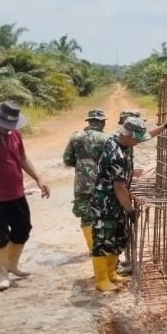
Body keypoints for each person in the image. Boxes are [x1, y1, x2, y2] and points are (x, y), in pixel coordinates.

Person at [0, 101, 50, 291]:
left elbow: (22, 158)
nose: (8, 129)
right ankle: (1, 274)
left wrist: (39, 178)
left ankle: (12, 264)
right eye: (6, 125)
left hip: (16, 193)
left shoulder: (15, 135)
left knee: (23, 229)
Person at [88, 117, 151, 292]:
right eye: (136, 138)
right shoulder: (117, 155)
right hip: (106, 203)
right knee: (104, 240)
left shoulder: (117, 143)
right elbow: (119, 187)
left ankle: (111, 273)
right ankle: (102, 280)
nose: (138, 142)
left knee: (118, 237)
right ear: (126, 135)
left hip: (115, 203)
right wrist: (130, 209)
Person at [115, 109, 167, 273]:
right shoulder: (115, 146)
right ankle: (114, 266)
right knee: (115, 230)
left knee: (126, 230)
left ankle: (125, 262)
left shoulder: (126, 140)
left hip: (123, 187)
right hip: (114, 194)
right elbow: (117, 184)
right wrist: (129, 209)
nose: (138, 141)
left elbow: (147, 136)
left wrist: (164, 126)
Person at [63, 109, 110, 255]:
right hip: (102, 184)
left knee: (86, 218)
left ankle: (92, 248)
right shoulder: (107, 139)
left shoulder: (76, 137)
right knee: (102, 216)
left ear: (89, 121)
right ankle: (101, 248)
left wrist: (81, 165)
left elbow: (67, 159)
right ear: (102, 122)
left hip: (81, 184)